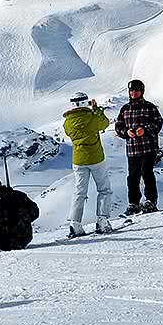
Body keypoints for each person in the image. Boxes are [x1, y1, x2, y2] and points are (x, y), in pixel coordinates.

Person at [62, 93, 114, 236]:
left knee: (79, 191)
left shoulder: (67, 122)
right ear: (86, 103)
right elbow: (104, 123)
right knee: (104, 189)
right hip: (96, 158)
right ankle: (102, 221)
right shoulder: (92, 118)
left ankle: (75, 224)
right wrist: (96, 109)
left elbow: (68, 133)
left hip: (78, 160)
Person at [113, 79, 163, 214]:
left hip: (148, 148)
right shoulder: (125, 109)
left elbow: (158, 123)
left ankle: (150, 201)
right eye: (131, 91)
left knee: (146, 173)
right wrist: (126, 132)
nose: (133, 93)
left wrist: (145, 130)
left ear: (142, 91)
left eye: (136, 90)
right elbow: (118, 126)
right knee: (132, 177)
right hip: (133, 149)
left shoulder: (149, 107)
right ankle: (133, 203)